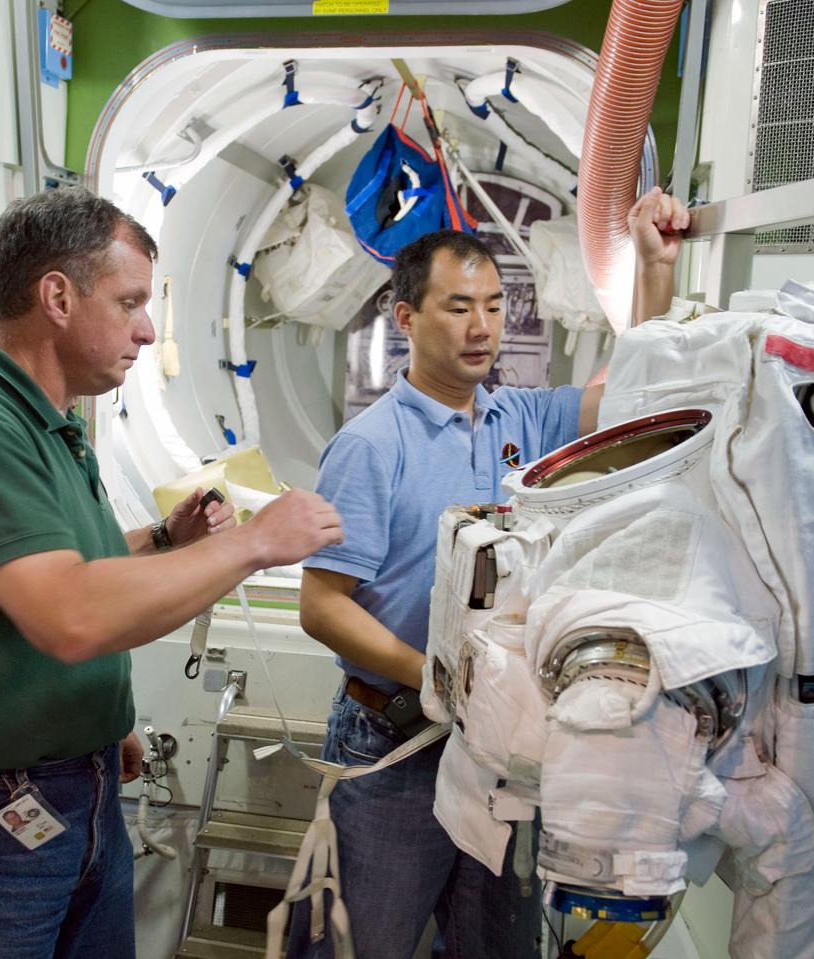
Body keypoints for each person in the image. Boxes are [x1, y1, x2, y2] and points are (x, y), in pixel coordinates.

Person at [0, 188, 343, 959]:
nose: (148, 331)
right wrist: (250, 545)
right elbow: (71, 614)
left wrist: (161, 541)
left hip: (74, 791)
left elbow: (54, 568)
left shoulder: (51, 424)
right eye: (130, 302)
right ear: (56, 295)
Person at [286, 188, 688, 959]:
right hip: (392, 741)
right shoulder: (374, 445)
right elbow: (321, 605)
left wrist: (654, 267)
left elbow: (638, 399)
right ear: (405, 319)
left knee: (494, 943)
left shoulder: (520, 422)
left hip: (494, 749)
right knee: (360, 944)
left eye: (497, 306)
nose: (482, 327)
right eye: (458, 306)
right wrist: (438, 678)